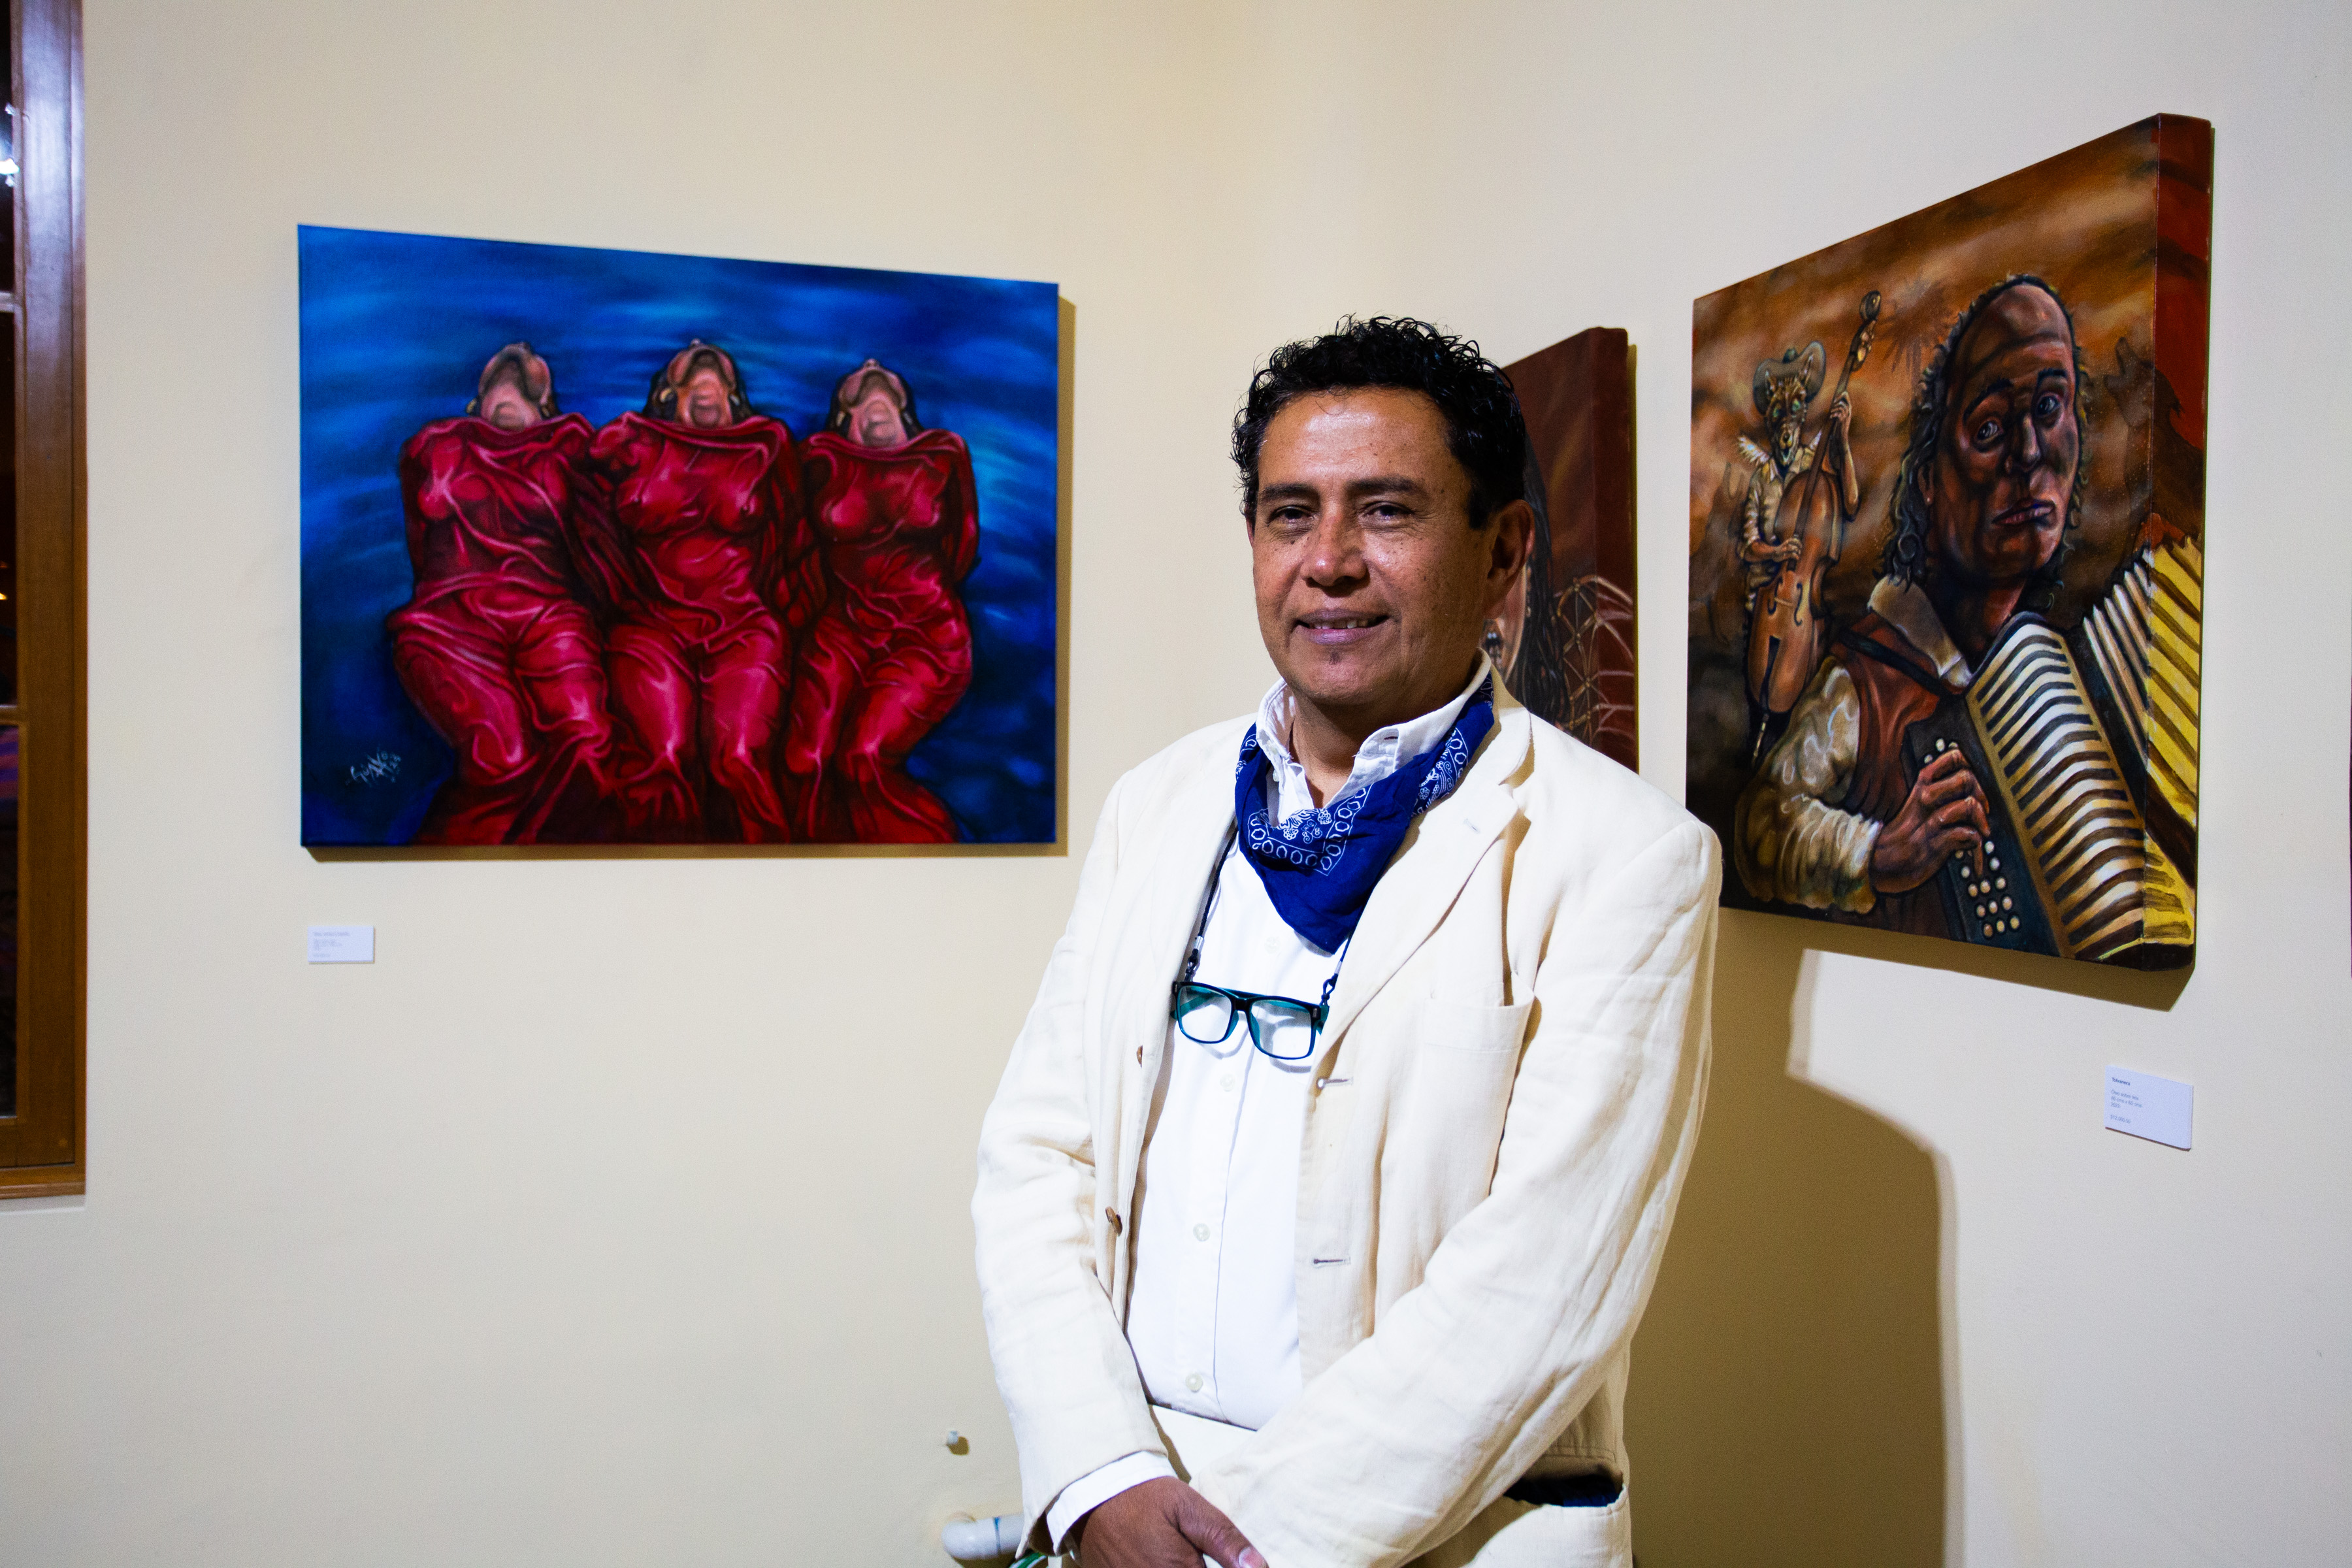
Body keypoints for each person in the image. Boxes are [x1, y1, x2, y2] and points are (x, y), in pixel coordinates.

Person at [973, 318, 1720, 1567]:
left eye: (1386, 511)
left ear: (1504, 551)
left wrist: (1230, 1552)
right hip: (1133, 1500)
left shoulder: (1624, 856)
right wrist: (1101, 1477)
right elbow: (1039, 1157)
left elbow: (1540, 1291)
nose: (1327, 563)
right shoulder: (1158, 806)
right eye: (1290, 515)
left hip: (1422, 1531)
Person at [1733, 276, 2082, 937]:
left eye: (2048, 409)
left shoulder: (2062, 675)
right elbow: (1760, 826)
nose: (2030, 453)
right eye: (1989, 428)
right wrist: (1875, 853)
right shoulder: (1868, 679)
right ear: (1928, 481)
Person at [387, 343, 631, 843]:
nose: (519, 354)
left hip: (549, 618)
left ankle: (536, 863)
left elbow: (603, 546)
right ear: (474, 405)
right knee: (501, 759)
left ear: (546, 407)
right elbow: (420, 550)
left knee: (588, 742)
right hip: (448, 622)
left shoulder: (570, 445)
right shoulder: (431, 446)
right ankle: (451, 870)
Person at [591, 341, 819, 841]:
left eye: (715, 372)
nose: (701, 354)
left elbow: (794, 536)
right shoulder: (634, 440)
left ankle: (774, 877)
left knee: (738, 759)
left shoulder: (767, 443)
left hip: (744, 628)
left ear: (734, 394)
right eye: (691, 373)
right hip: (651, 628)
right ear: (667, 393)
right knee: (663, 758)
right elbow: (586, 496)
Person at [783, 359, 981, 842]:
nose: (871, 366)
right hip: (842, 632)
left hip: (927, 634)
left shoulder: (945, 453)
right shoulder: (818, 458)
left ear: (904, 406)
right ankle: (810, 864)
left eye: (881, 376)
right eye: (860, 383)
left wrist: (914, 591)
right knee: (804, 762)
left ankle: (938, 854)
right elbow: (796, 545)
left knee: (862, 759)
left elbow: (963, 545)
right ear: (842, 414)